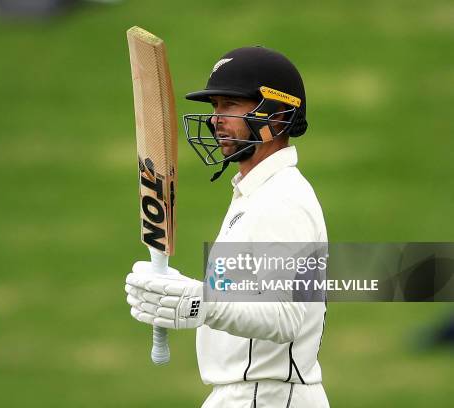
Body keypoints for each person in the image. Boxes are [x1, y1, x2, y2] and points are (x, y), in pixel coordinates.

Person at [125, 46, 329, 407]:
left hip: (267, 395)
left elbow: (286, 317)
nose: (216, 119)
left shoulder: (282, 200)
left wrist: (202, 303)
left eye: (231, 105)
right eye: (215, 106)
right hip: (247, 394)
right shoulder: (255, 194)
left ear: (277, 116)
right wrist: (176, 289)